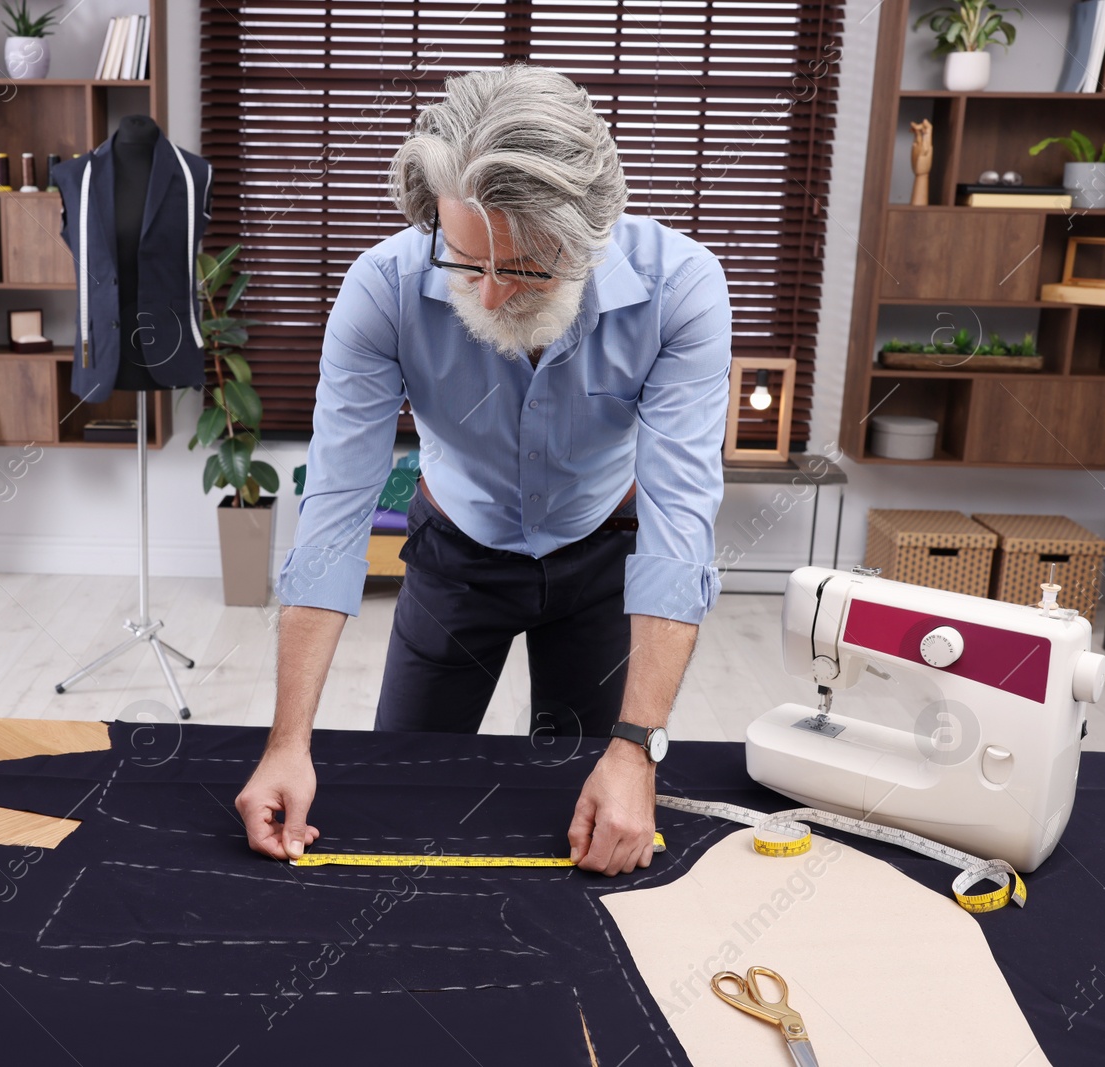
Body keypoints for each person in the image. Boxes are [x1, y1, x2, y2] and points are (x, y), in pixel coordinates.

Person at [235, 64, 732, 877]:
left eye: (528, 268)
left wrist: (639, 750)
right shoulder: (385, 288)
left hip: (604, 551)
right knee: (399, 793)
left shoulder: (682, 289)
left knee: (586, 815)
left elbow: (681, 527)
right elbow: (332, 517)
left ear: (590, 235)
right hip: (454, 556)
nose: (493, 296)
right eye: (466, 261)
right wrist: (288, 743)